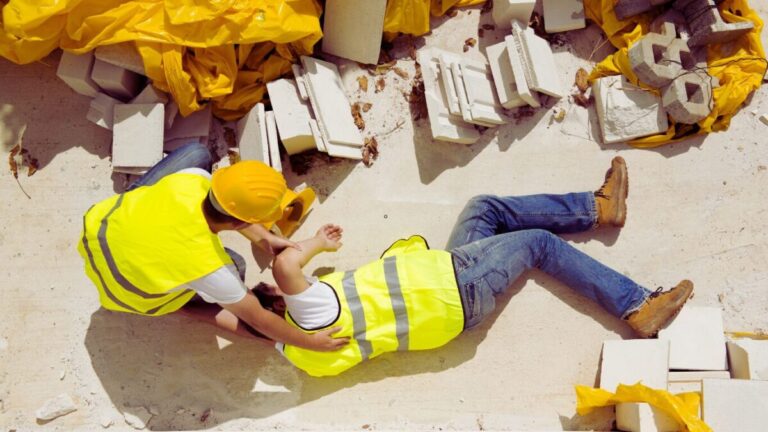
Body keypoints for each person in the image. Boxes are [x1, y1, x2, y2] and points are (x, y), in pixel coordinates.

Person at [269, 157, 694, 376]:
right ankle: (636, 306)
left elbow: (248, 320)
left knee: (483, 209)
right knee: (538, 244)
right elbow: (286, 263)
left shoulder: (302, 356)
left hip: (448, 293)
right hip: (456, 286)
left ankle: (599, 208)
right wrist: (316, 244)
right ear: (278, 305)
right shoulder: (312, 312)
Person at [77, 142, 348, 352]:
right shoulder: (212, 269)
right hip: (128, 293)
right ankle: (178, 306)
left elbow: (229, 211)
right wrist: (310, 343)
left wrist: (265, 238)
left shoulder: (192, 179)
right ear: (242, 223)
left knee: (196, 153)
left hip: (99, 230)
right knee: (237, 268)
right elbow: (259, 320)